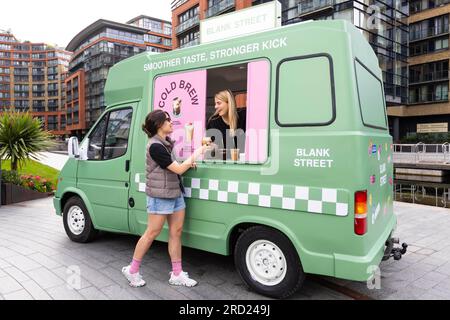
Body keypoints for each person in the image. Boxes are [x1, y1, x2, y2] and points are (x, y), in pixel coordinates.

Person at [122, 109, 208, 288]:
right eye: (168, 120)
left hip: (175, 193)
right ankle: (132, 270)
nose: (171, 122)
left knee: (176, 232)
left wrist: (186, 164)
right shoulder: (155, 146)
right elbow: (177, 169)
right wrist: (199, 151)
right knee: (152, 233)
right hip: (160, 196)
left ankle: (177, 274)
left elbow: (172, 167)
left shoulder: (165, 143)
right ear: (159, 125)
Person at [206, 89, 246, 159]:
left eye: (219, 103)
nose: (215, 107)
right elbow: (210, 152)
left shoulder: (244, 116)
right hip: (224, 164)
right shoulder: (213, 122)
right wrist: (212, 148)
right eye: (215, 104)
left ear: (229, 103)